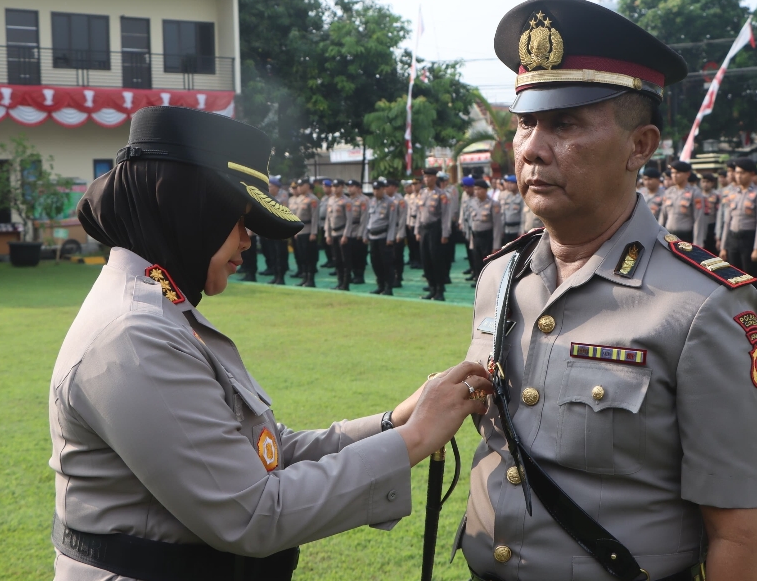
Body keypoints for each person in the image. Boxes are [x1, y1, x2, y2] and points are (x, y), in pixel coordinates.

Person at [54, 106, 493, 581]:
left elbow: (265, 449)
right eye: (237, 220)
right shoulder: (135, 332)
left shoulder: (157, 308)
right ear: (189, 210)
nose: (247, 240)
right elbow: (253, 513)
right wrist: (415, 438)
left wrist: (394, 422)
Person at [457, 0, 757, 581]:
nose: (531, 148)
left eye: (566, 124)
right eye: (526, 122)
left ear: (640, 145)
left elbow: (742, 533)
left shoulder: (701, 306)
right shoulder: (500, 277)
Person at [719, 158, 757, 283]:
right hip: (732, 239)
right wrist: (724, 247)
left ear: (751, 174)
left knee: (750, 280)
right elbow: (727, 221)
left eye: (742, 173)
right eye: (737, 172)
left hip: (748, 240)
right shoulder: (732, 193)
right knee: (733, 279)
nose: (738, 176)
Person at [415, 167, 453, 301]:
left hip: (436, 230)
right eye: (425, 177)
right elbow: (419, 214)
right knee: (426, 260)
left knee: (437, 260)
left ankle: (440, 290)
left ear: (435, 178)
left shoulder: (442, 194)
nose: (427, 179)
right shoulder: (422, 193)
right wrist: (417, 230)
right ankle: (431, 288)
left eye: (429, 177)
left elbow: (445, 216)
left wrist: (445, 233)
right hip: (424, 229)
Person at [658, 160, 706, 244]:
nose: (674, 176)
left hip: (685, 237)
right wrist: (658, 236)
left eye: (678, 173)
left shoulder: (695, 193)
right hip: (668, 235)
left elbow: (698, 220)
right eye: (672, 173)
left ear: (687, 174)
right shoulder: (668, 192)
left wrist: (697, 243)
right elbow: (663, 216)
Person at [466, 179, 503, 286]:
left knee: (487, 262)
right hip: (476, 236)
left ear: (485, 190)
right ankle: (479, 282)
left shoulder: (493, 204)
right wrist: (471, 241)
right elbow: (472, 223)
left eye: (479, 189)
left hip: (487, 237)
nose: (476, 191)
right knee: (477, 262)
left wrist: (496, 245)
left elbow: (497, 225)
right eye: (475, 189)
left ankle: (488, 284)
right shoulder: (472, 203)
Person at [365, 178, 397, 295]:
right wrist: (365, 235)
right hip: (373, 236)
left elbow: (392, 222)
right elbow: (368, 220)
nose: (375, 191)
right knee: (375, 263)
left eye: (378, 189)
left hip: (384, 237)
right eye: (374, 189)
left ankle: (388, 287)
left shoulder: (390, 202)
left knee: (386, 263)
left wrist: (390, 238)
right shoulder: (371, 201)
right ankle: (380, 285)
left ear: (383, 189)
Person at [290, 178, 320, 287]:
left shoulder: (313, 199)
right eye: (298, 185)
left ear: (307, 186)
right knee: (302, 256)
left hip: (308, 231)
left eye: (301, 185)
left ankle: (311, 280)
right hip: (299, 231)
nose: (299, 187)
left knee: (309, 256)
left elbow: (315, 218)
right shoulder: (298, 199)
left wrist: (314, 233)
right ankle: (305, 278)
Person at [324, 180, 353, 291]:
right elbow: (328, 219)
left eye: (337, 186)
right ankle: (339, 282)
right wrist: (328, 234)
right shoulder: (330, 200)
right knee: (337, 260)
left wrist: (346, 235)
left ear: (342, 187)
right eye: (333, 187)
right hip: (334, 233)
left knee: (345, 260)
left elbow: (349, 220)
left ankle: (345, 284)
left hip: (342, 233)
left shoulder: (346, 201)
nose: (334, 189)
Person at [346, 180, 370, 285]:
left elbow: (364, 219)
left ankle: (359, 276)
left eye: (352, 186)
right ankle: (353, 274)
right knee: (350, 255)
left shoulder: (363, 200)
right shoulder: (347, 200)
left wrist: (361, 233)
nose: (349, 188)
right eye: (348, 186)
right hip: (349, 231)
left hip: (358, 230)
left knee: (359, 255)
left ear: (357, 188)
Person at [386, 179, 407, 289]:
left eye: (388, 186)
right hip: (386, 232)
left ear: (394, 187)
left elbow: (403, 218)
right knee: (388, 257)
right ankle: (389, 277)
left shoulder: (400, 201)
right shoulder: (384, 199)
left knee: (397, 256)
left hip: (397, 231)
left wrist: (400, 234)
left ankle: (398, 277)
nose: (385, 188)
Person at [499, 175, 524, 246]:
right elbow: (503, 213)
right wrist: (502, 229)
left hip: (516, 229)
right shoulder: (507, 196)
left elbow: (523, 215)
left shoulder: (521, 197)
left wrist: (521, 230)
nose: (509, 185)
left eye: (511, 183)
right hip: (507, 229)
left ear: (517, 184)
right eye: (508, 183)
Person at [700, 172, 720, 252]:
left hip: (712, 225)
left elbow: (719, 212)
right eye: (703, 181)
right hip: (700, 225)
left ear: (712, 183)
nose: (705, 184)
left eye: (708, 182)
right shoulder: (698, 195)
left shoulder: (716, 195)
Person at [404, 180, 422, 270]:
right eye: (413, 185)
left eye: (416, 184)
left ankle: (420, 261)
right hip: (412, 221)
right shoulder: (411, 196)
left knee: (420, 244)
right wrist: (408, 222)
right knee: (412, 243)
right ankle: (414, 260)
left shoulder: (423, 195)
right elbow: (408, 211)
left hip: (420, 222)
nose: (414, 186)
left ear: (420, 184)